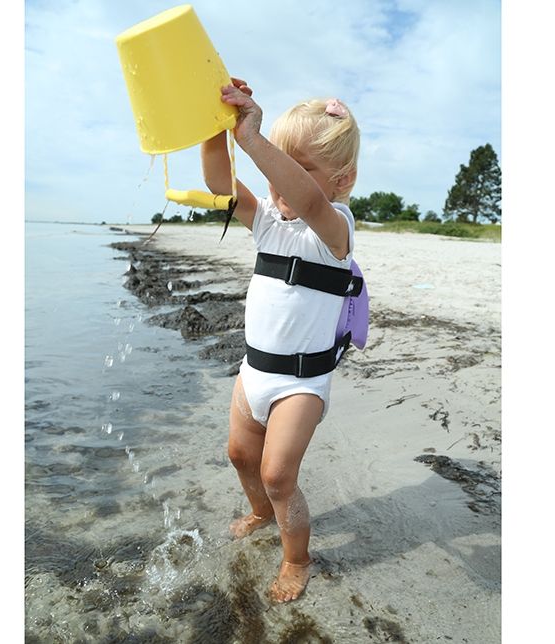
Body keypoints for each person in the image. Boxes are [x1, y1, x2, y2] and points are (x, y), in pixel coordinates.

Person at [201, 77, 360, 603]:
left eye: (297, 167)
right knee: (240, 456)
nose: (277, 182)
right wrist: (215, 128)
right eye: (275, 166)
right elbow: (221, 186)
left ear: (341, 181)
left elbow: (309, 202)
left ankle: (297, 558)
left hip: (301, 382)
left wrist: (254, 141)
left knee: (277, 472)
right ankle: (260, 513)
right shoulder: (269, 224)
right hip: (254, 373)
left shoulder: (333, 225)